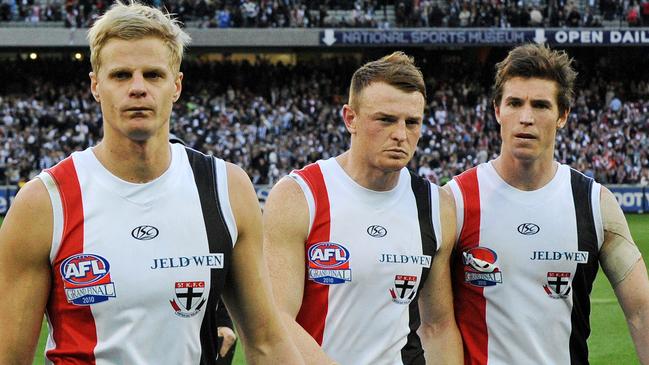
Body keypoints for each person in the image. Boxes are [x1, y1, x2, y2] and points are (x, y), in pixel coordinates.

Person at [0, 2, 303, 364]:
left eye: (153, 75)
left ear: (176, 86)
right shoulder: (44, 202)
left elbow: (268, 341)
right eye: (121, 75)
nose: (138, 88)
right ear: (96, 86)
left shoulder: (226, 188)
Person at [445, 43, 649, 364]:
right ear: (497, 110)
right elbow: (429, 322)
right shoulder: (455, 200)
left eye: (540, 105)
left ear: (562, 115)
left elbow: (642, 313)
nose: (525, 117)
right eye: (514, 103)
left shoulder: (594, 204)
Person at [263, 52, 463, 365]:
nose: (400, 134)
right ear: (350, 118)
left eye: (412, 122)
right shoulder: (300, 195)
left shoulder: (437, 205)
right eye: (385, 119)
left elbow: (437, 326)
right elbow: (276, 319)